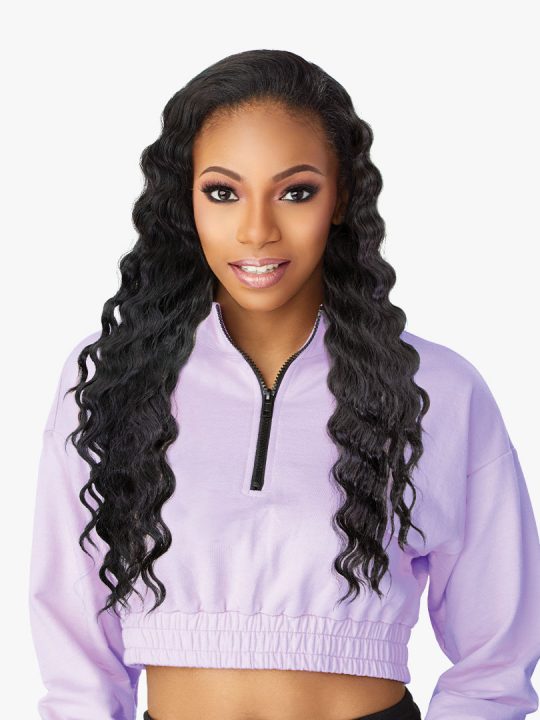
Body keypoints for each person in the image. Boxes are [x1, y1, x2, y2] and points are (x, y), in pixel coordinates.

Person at [28, 48, 540, 720]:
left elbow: (496, 661)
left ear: (341, 197)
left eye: (296, 192)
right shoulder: (111, 380)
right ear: (185, 201)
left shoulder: (437, 390)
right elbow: (76, 661)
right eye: (223, 192)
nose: (257, 231)